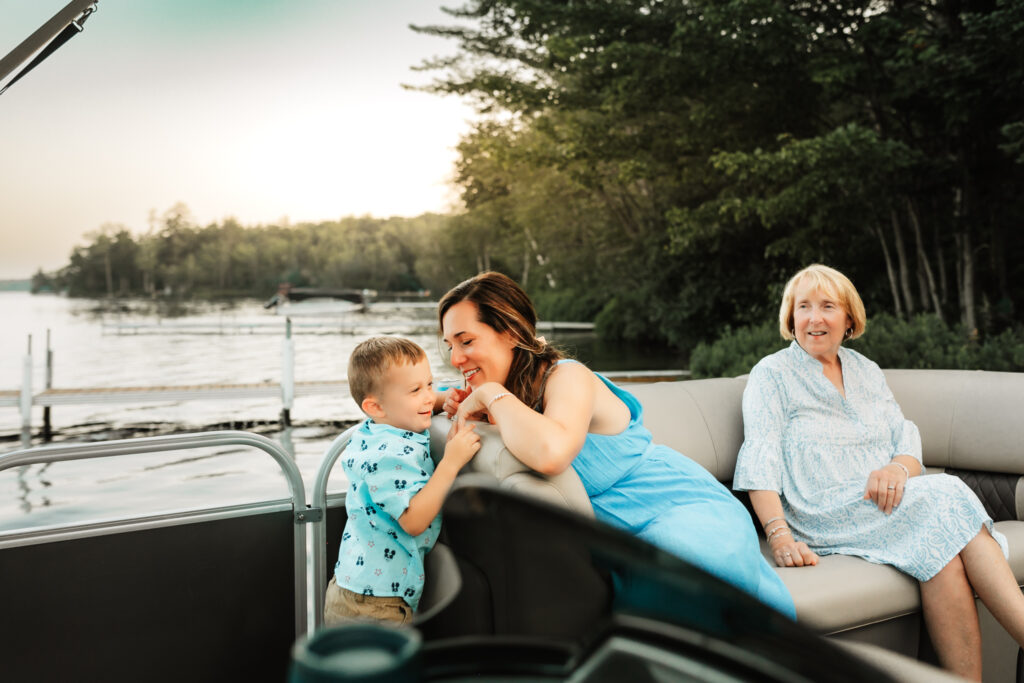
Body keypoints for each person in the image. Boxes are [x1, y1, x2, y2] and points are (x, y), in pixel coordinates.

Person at [437, 271, 796, 618]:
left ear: (512, 332)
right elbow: (414, 395)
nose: (455, 359)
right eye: (450, 345)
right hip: (616, 532)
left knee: (682, 574)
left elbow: (552, 453)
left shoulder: (566, 376)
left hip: (681, 508)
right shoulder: (504, 387)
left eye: (466, 341)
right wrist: (445, 401)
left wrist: (488, 393)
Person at [733, 263, 1024, 681]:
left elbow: (906, 442)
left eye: (828, 306)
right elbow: (759, 458)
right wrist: (779, 536)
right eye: (804, 307)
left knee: (940, 551)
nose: (814, 318)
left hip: (884, 505)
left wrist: (895, 468)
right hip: (822, 510)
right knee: (945, 492)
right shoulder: (771, 375)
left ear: (849, 318)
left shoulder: (865, 371)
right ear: (790, 318)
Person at [325, 336, 481, 626]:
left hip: (362, 589)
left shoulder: (383, 426)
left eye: (429, 384)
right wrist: (451, 461)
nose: (427, 397)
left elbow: (424, 399)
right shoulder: (388, 455)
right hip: (374, 606)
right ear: (375, 407)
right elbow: (412, 521)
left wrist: (447, 397)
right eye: (415, 390)